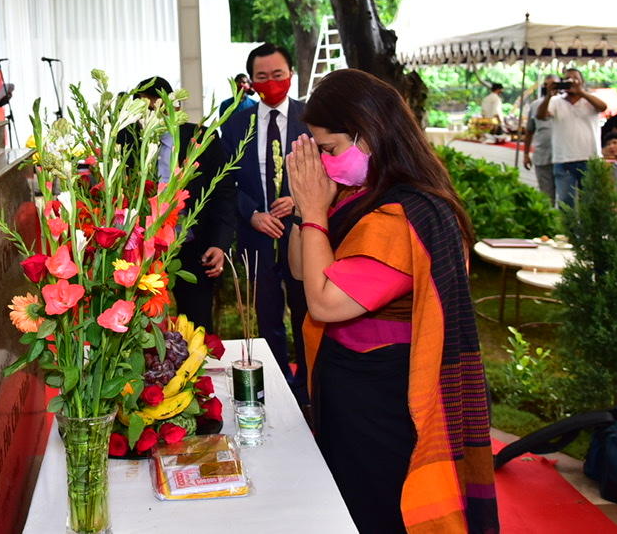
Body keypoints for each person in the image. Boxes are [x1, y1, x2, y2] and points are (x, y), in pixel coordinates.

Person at [286, 68, 497, 534]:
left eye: (330, 149)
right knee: (348, 497)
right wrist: (307, 211)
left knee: (378, 505)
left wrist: (315, 211)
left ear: (369, 134)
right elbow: (303, 270)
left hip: (382, 394)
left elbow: (322, 303)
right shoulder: (361, 196)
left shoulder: (402, 215)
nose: (323, 163)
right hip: (349, 380)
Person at [221, 42, 311, 403]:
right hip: (256, 234)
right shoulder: (236, 122)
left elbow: (331, 171)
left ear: (290, 75)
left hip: (302, 234)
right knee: (266, 312)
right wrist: (252, 214)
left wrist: (301, 199)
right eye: (262, 77)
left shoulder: (311, 117)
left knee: (307, 311)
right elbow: (225, 180)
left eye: (278, 75)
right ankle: (277, 384)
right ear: (251, 82)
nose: (271, 82)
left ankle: (308, 384)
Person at [126, 77, 235, 332]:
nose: (152, 117)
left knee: (197, 326)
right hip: (143, 252)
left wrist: (220, 243)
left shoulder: (202, 137)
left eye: (158, 109)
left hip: (193, 245)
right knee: (141, 328)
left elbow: (224, 193)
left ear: (174, 108)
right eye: (145, 112)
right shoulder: (126, 141)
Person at [536, 68, 605, 206]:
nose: (571, 81)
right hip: (564, 160)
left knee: (591, 202)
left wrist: (581, 93)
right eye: (567, 79)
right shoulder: (555, 101)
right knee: (566, 203)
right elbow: (540, 116)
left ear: (582, 82)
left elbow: (602, 107)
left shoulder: (589, 100)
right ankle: (569, 228)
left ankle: (587, 228)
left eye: (575, 78)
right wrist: (549, 95)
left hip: (589, 159)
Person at [522, 75, 558, 203]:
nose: (552, 87)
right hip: (543, 156)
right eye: (548, 84)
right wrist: (526, 154)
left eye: (555, 84)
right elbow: (529, 131)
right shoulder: (536, 105)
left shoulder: (565, 104)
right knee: (546, 196)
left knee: (566, 197)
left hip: (563, 157)